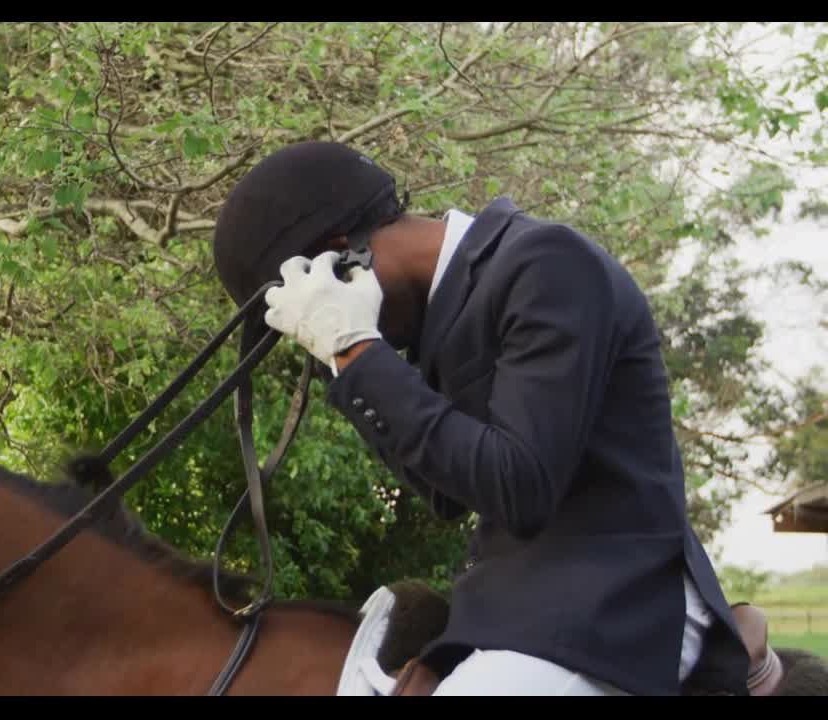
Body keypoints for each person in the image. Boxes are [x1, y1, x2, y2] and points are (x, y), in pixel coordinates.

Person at [210, 140, 753, 696]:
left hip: (613, 604)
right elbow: (445, 493)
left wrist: (357, 352)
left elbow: (519, 485)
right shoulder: (443, 316)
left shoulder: (547, 263)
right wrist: (343, 362)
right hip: (517, 606)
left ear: (340, 256)